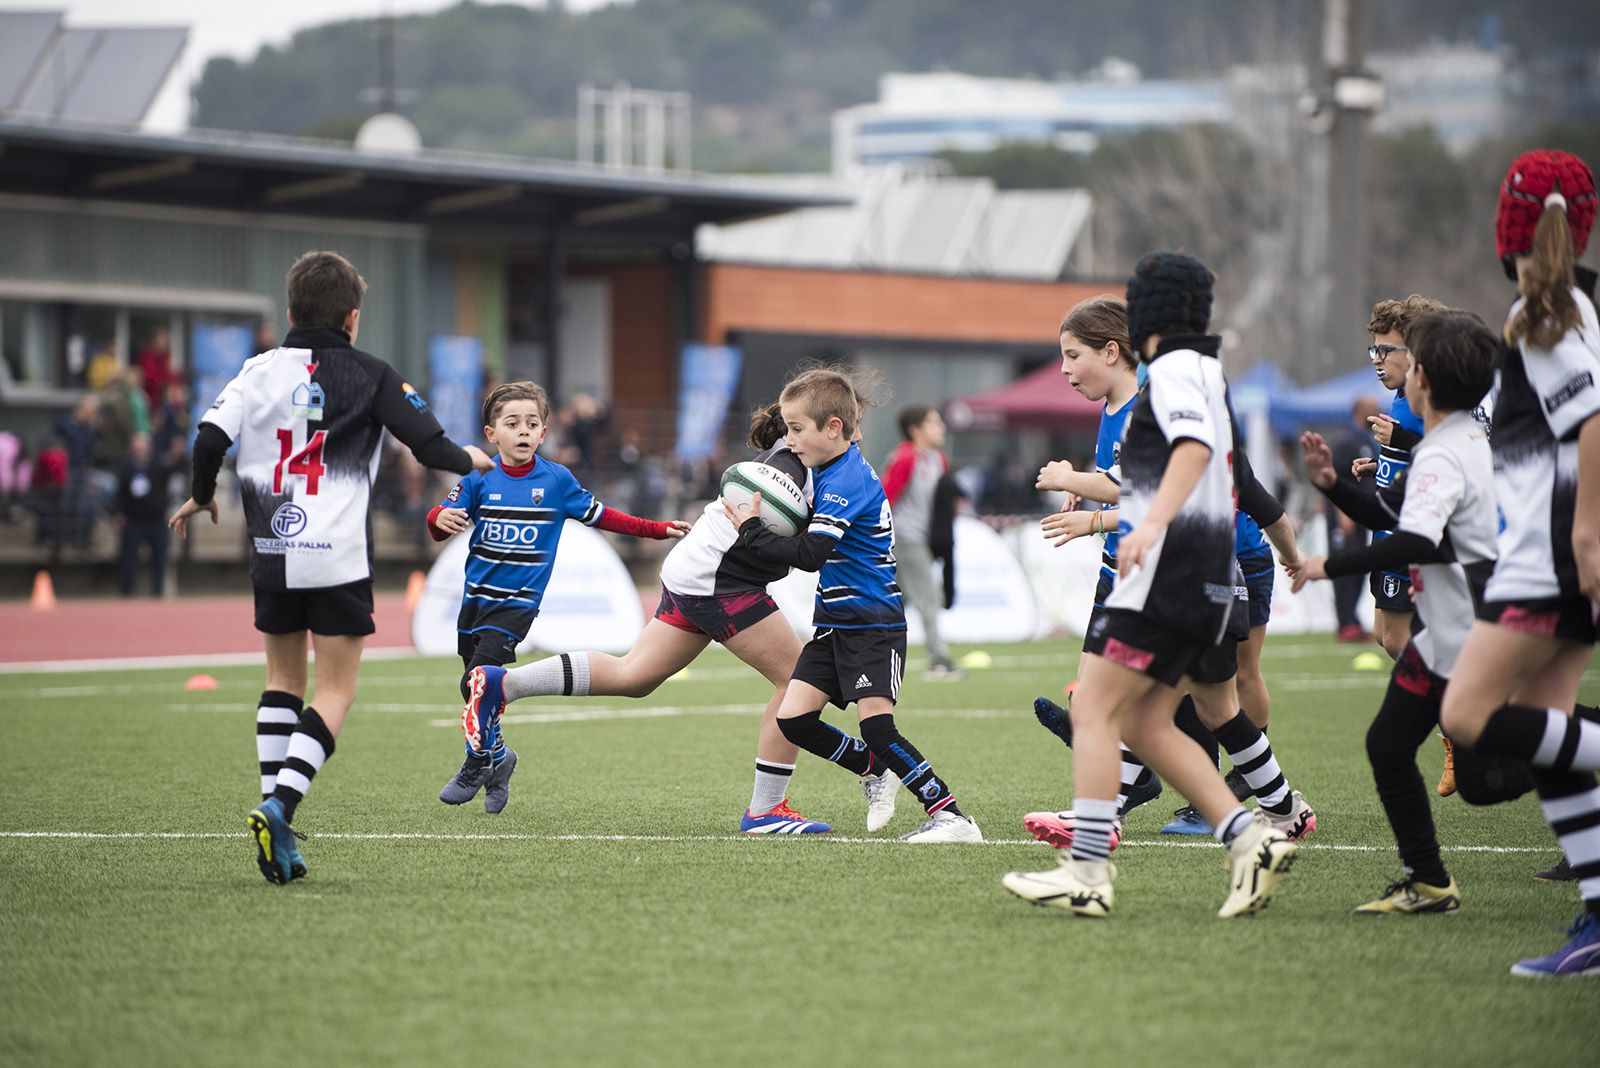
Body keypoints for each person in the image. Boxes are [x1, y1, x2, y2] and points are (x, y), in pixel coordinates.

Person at [169, 249, 494, 885]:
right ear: (352, 318)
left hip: (271, 549)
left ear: (290, 311)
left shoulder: (257, 369)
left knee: (282, 681)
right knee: (335, 689)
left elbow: (208, 438)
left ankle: (277, 812)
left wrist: (204, 494)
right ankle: (280, 807)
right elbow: (428, 445)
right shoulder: (372, 373)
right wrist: (470, 461)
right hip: (337, 557)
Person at [1001, 252, 1295, 918]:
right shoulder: (1203, 370)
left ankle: (1088, 873)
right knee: (1144, 720)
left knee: (1096, 711)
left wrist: (1147, 521)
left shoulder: (1172, 371)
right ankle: (1251, 838)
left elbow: (1191, 452)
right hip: (1202, 567)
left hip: (1171, 569)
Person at [453, 400, 862, 833]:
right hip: (720, 581)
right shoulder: (790, 467)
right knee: (797, 680)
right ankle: (767, 810)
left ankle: (503, 684)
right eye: (853, 425)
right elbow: (779, 543)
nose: (857, 436)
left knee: (634, 676)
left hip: (699, 572)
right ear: (826, 426)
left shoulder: (811, 465)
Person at [1438, 149, 1600, 977]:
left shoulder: (1546, 313)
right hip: (1553, 550)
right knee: (1548, 735)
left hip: (1551, 555)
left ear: (1509, 226)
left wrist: (1586, 539)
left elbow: (1592, 423)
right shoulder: (1569, 306)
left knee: (1467, 716)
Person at [1291, 309, 1498, 914]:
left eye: (1395, 357)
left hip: (1481, 641)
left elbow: (1414, 540)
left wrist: (1329, 566)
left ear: (1423, 375)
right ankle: (1429, 881)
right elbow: (1392, 515)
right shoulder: (1445, 443)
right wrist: (1333, 485)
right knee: (1391, 746)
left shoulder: (1445, 451)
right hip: (1446, 639)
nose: (1386, 367)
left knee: (1509, 763)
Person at [722, 367, 983, 842]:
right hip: (833, 624)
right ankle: (874, 768)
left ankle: (951, 817)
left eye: (796, 429)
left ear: (833, 428)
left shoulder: (847, 479)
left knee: (879, 728)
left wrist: (752, 530)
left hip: (872, 624)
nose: (789, 440)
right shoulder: (827, 467)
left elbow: (811, 555)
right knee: (794, 720)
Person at [430, 381, 690, 813]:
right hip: (475, 602)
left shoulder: (555, 480)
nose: (523, 431)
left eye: (532, 423)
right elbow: (439, 519)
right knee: (474, 689)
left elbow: (604, 516)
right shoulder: (479, 478)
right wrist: (439, 518)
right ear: (491, 433)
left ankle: (477, 761)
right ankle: (500, 756)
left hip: (516, 605)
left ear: (544, 432)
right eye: (512, 423)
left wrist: (657, 529)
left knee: (477, 682)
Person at [883, 405, 960, 679]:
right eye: (933, 423)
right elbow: (886, 498)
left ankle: (872, 651)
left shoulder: (939, 459)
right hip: (906, 538)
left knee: (895, 599)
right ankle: (938, 658)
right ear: (915, 430)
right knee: (929, 596)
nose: (941, 428)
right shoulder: (904, 458)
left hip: (925, 539)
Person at [1327, 397, 1379, 642]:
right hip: (1345, 516)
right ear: (1361, 412)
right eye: (1373, 409)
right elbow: (1334, 478)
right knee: (1344, 567)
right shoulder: (1346, 441)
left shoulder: (1367, 440)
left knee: (1359, 567)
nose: (1378, 411)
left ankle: (1353, 620)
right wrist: (1342, 513)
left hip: (1362, 513)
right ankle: (1345, 622)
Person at [114, 432, 175, 596]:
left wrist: (176, 452)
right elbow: (119, 493)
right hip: (133, 519)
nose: (141, 450)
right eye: (138, 446)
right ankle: (125, 592)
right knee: (128, 557)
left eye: (144, 446)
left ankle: (157, 591)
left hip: (156, 519)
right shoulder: (126, 467)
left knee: (159, 557)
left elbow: (175, 469)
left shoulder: (159, 465)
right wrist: (118, 512)